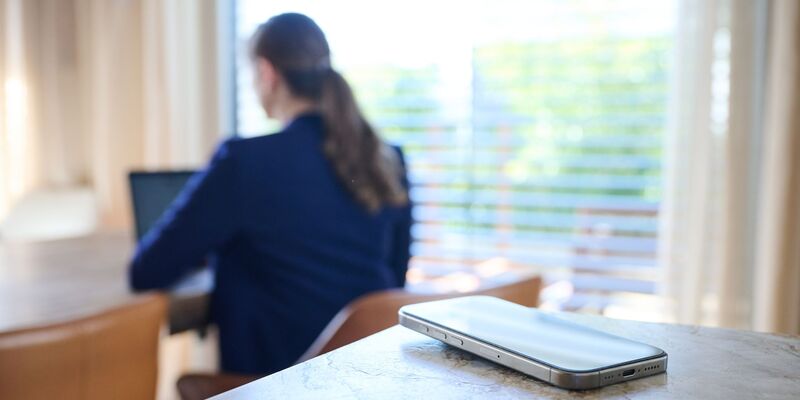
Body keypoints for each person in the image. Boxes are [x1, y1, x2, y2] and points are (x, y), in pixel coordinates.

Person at [129, 13, 412, 376]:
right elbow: (394, 282)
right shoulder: (387, 159)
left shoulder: (243, 161)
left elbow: (147, 270)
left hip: (275, 384)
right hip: (370, 376)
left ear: (266, 72)